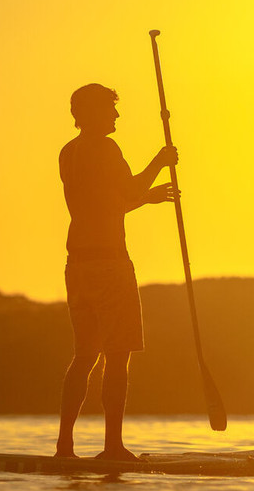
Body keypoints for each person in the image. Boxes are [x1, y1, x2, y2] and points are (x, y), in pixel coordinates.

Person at [55, 83, 177, 460]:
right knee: (117, 355)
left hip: (78, 265)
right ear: (91, 112)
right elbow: (129, 188)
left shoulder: (69, 152)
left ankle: (65, 447)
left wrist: (147, 198)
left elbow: (104, 205)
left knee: (84, 356)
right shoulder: (106, 148)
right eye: (111, 108)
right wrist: (160, 160)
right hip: (110, 263)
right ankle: (112, 448)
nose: (117, 116)